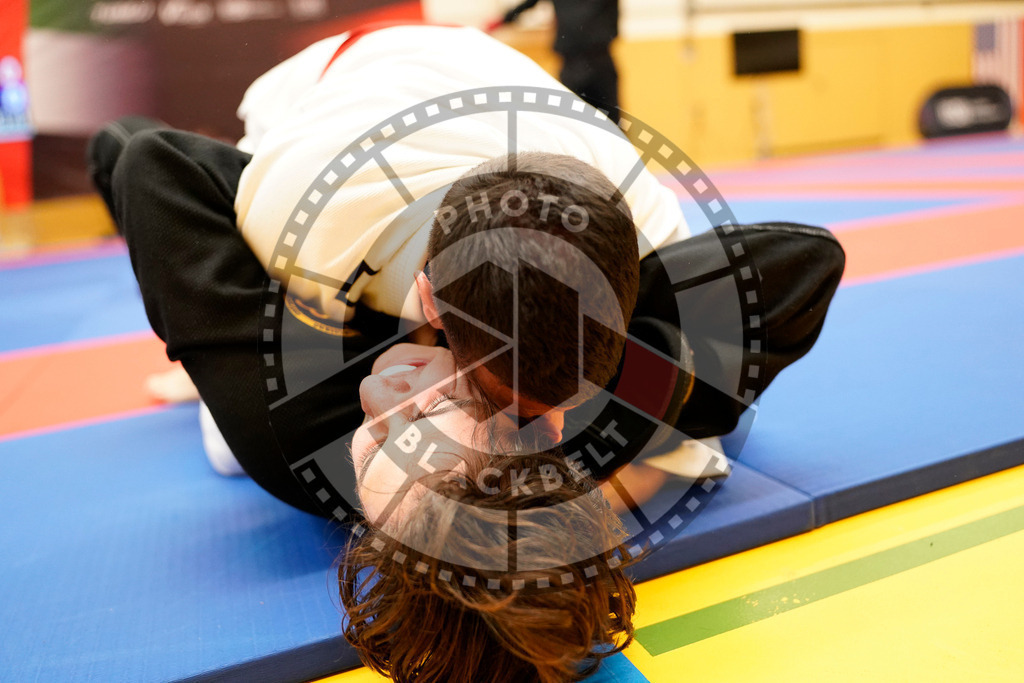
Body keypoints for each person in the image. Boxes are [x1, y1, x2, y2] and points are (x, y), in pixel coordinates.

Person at [493, 0, 622, 122]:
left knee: (600, 123)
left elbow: (529, 4)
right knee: (578, 123)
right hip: (579, 61)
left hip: (594, 61)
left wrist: (504, 19)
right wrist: (503, 19)